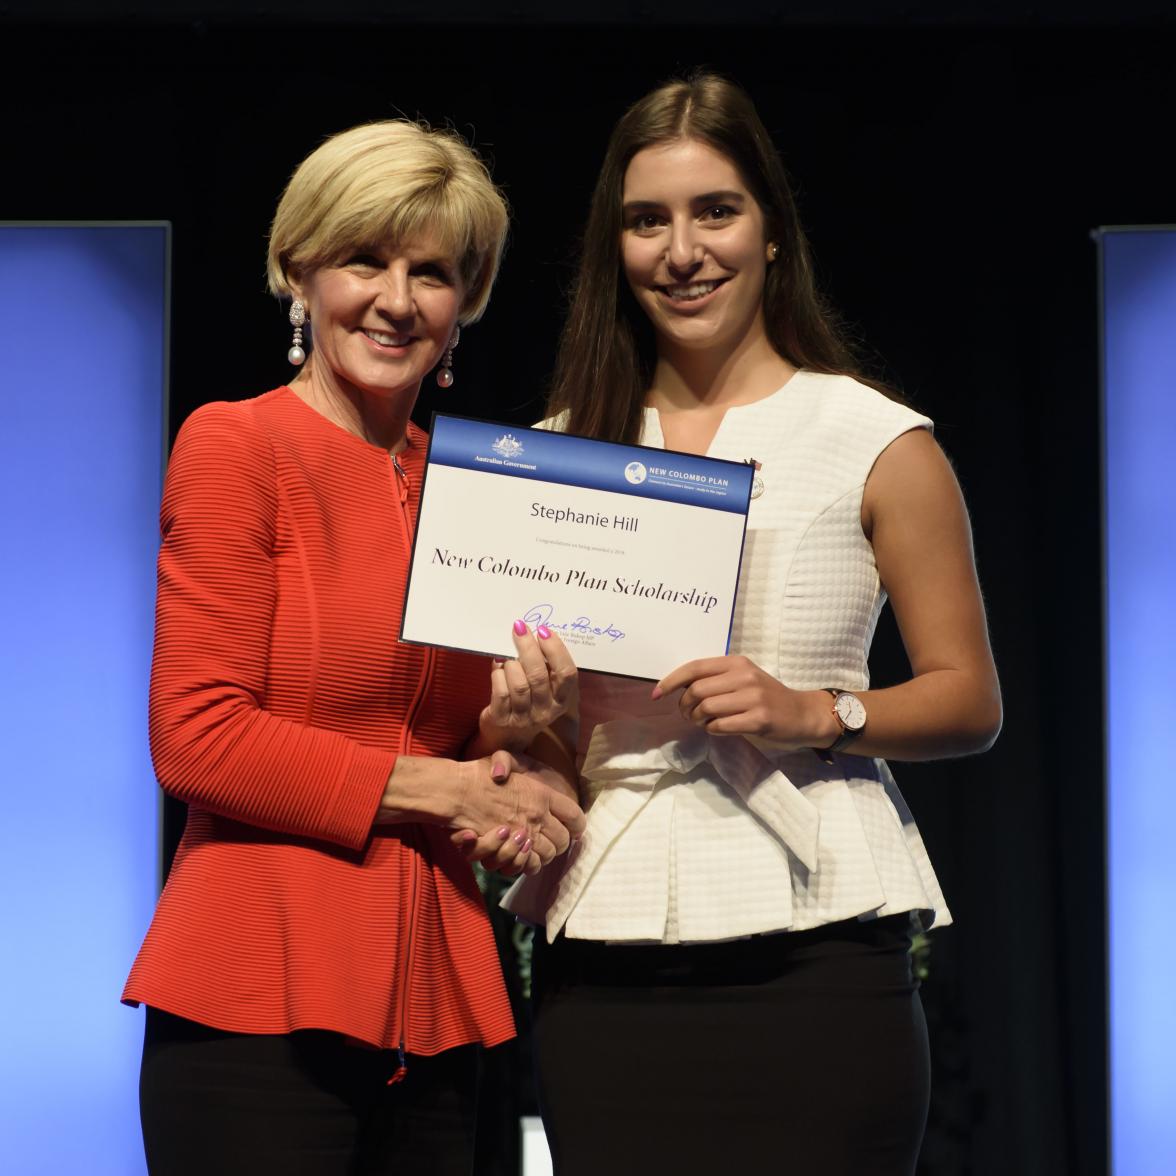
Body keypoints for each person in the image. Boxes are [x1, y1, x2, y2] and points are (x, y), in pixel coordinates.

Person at [504, 73, 1003, 1176]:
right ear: (615, 247)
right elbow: (554, 752)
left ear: (773, 231)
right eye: (647, 221)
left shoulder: (876, 439)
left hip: (818, 957)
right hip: (609, 954)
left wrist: (814, 709)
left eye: (714, 211)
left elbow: (970, 698)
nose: (682, 251)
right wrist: (531, 729)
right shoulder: (558, 453)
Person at [122, 119, 585, 1176]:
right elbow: (197, 738)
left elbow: (495, 749)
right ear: (299, 271)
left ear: (465, 302)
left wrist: (530, 773)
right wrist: (450, 791)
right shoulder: (236, 445)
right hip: (254, 991)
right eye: (364, 260)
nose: (397, 297)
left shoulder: (486, 490)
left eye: (433, 272)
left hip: (436, 997)